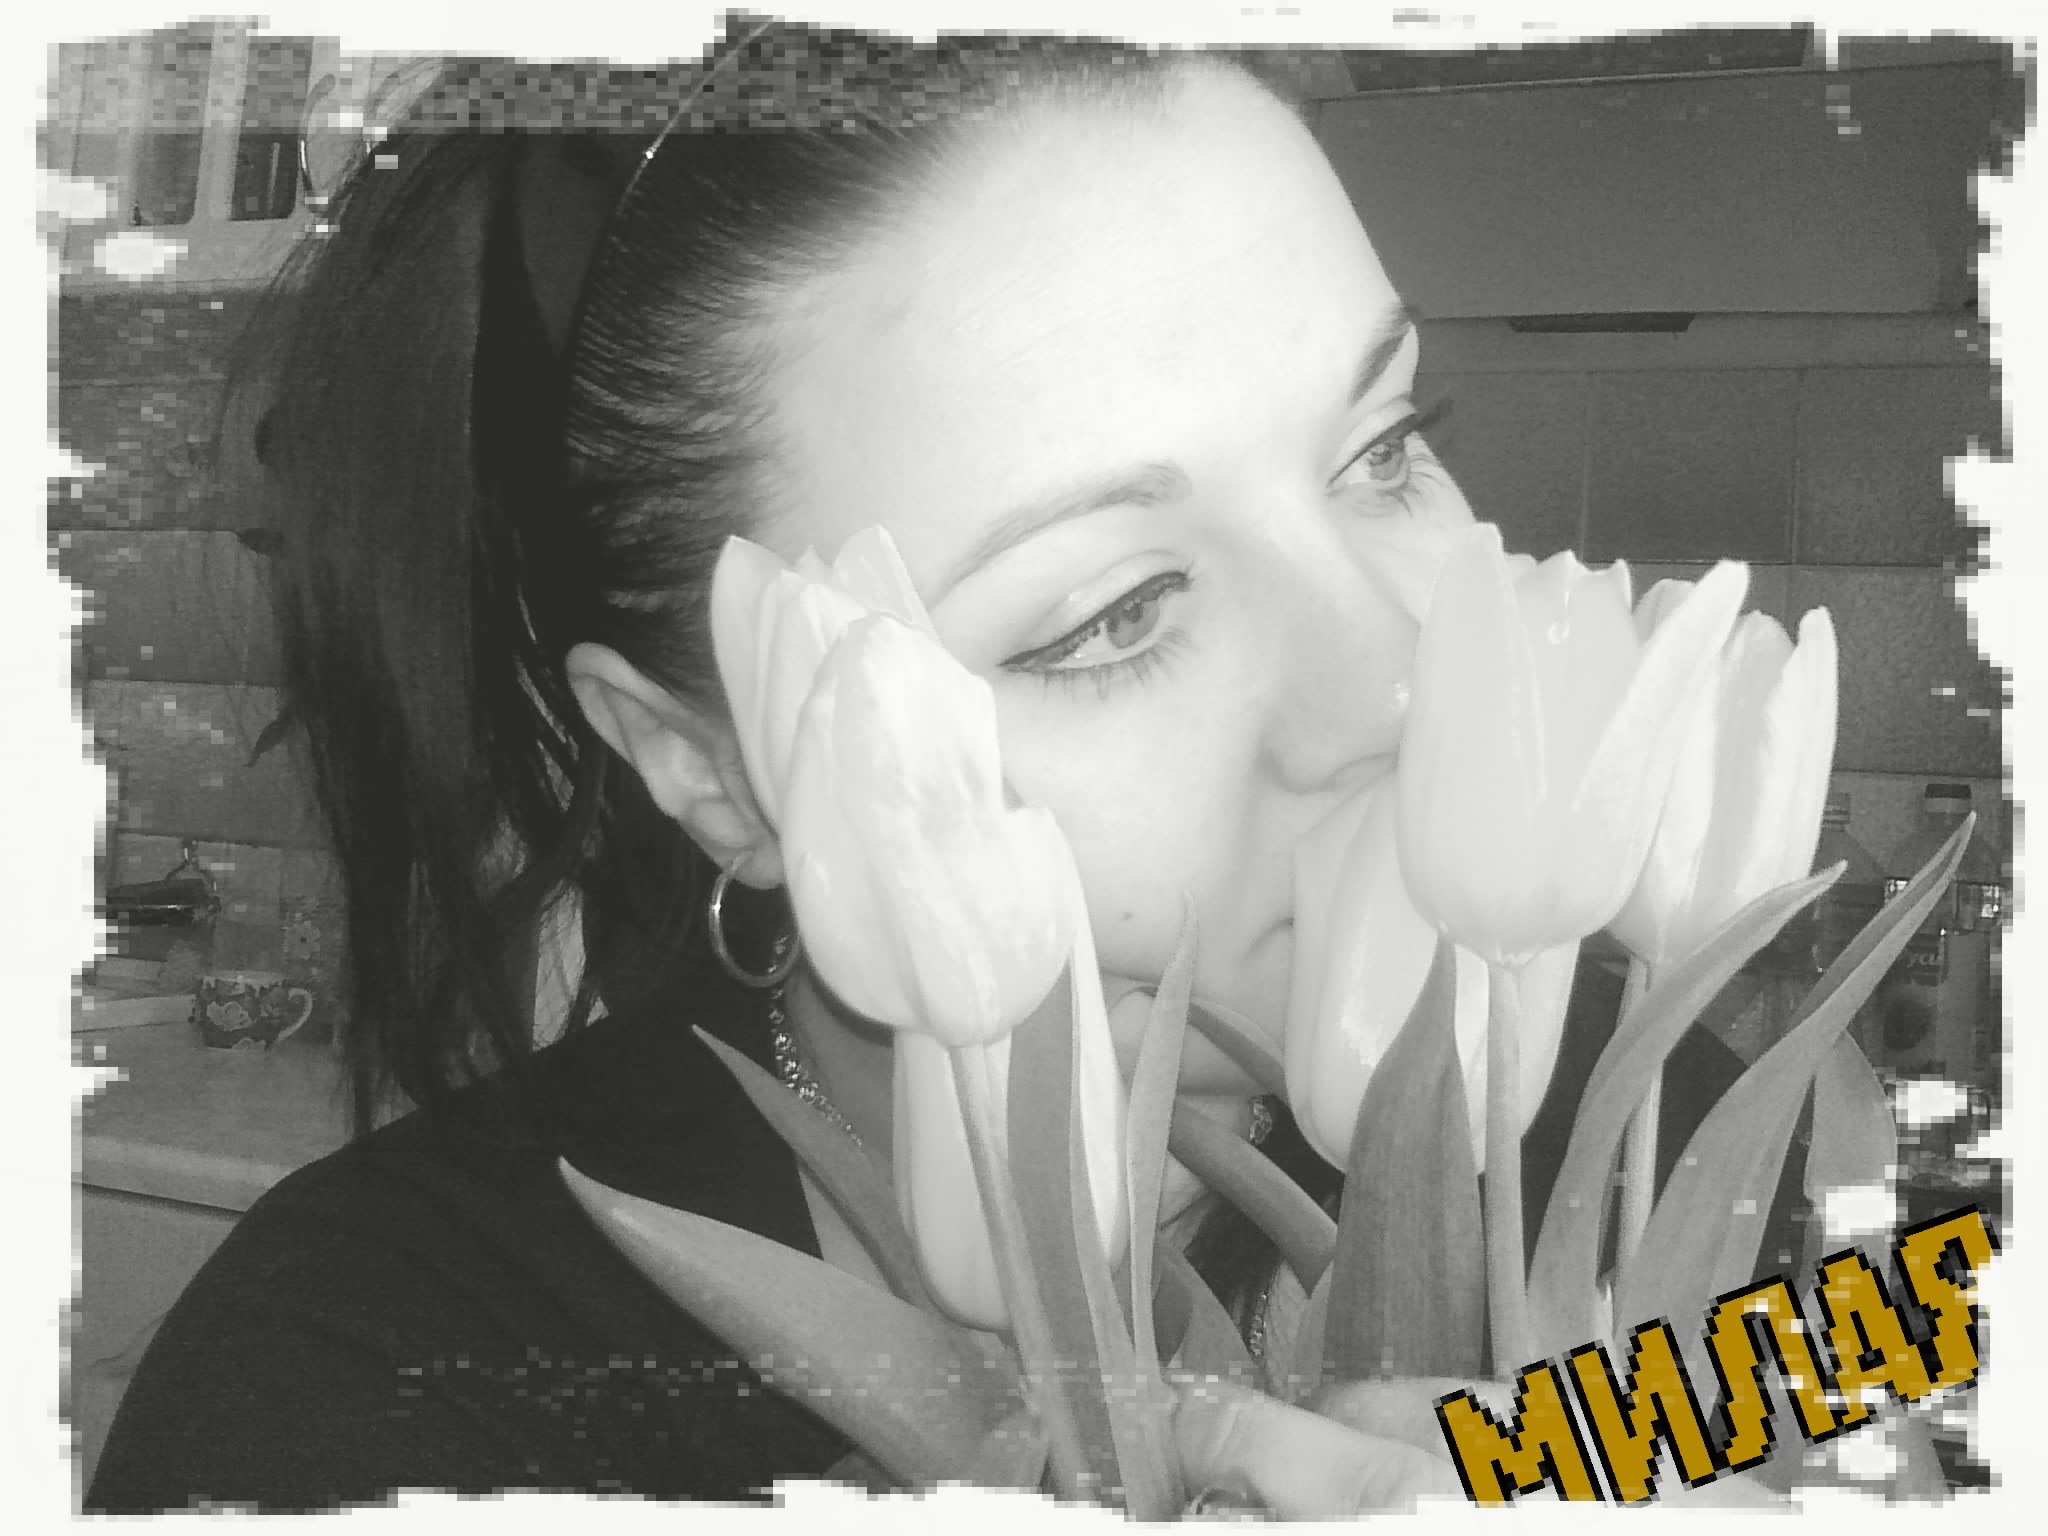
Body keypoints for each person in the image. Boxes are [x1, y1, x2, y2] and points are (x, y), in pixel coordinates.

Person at [84, 23, 1846, 1515]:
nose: (1400, 675)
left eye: (1383, 451)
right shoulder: (359, 1389)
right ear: (709, 769)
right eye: (1109, 615)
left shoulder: (1678, 1161)